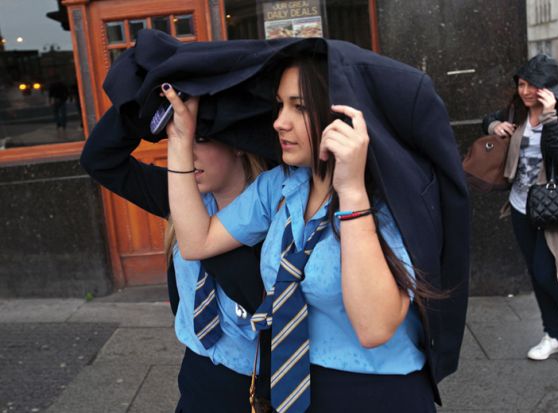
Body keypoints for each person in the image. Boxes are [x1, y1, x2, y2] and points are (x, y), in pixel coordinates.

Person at [165, 52, 444, 412]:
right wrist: (180, 142)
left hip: (377, 392)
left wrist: (352, 191)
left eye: (299, 107)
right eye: (280, 106)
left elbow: (374, 328)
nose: (280, 122)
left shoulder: (388, 198)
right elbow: (195, 240)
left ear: (341, 114)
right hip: (297, 388)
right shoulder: (280, 186)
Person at [80, 106, 269, 412]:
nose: (185, 153)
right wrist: (149, 99)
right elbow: (99, 159)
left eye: (200, 139)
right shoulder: (182, 197)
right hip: (197, 372)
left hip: (255, 385)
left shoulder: (275, 210)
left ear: (237, 143)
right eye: (177, 141)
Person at [482, 54, 558, 361]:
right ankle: (553, 334)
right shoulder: (516, 110)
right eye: (522, 84)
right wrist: (495, 125)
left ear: (550, 87)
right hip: (521, 205)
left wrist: (548, 116)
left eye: (534, 85)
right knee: (535, 271)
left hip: (553, 205)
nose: (526, 91)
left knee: (547, 272)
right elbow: (486, 120)